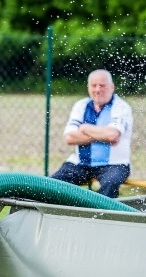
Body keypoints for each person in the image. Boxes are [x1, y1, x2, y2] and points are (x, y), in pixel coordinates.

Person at [50, 69, 133, 198]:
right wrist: (102, 134)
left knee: (110, 185)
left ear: (112, 87)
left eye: (102, 85)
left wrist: (85, 128)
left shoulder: (121, 107)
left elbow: (112, 135)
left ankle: (98, 216)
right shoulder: (80, 105)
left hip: (114, 164)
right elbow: (70, 138)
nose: (97, 90)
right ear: (88, 87)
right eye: (94, 85)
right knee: (52, 184)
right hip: (80, 163)